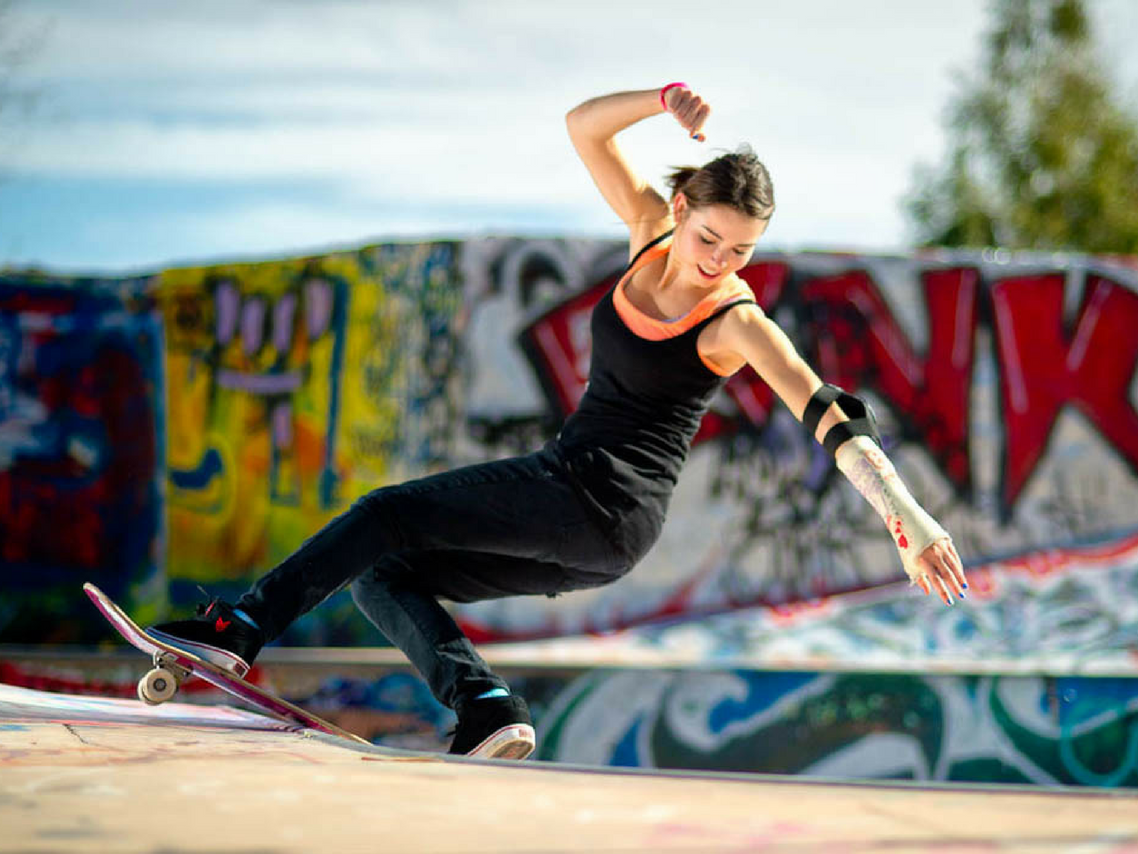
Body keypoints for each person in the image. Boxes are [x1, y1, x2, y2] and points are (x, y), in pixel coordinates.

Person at [147, 84, 967, 760]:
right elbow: (583, 128)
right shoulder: (649, 232)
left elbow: (828, 411)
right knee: (386, 569)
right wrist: (663, 100)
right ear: (681, 209)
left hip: (600, 503)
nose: (719, 263)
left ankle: (240, 628)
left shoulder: (737, 321)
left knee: (385, 513)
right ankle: (485, 709)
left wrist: (909, 516)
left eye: (741, 253)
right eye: (711, 239)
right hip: (583, 510)